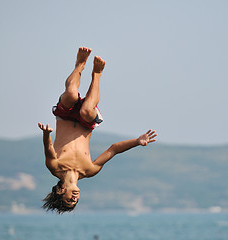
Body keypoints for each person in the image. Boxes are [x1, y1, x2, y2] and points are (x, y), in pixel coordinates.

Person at [38, 47, 157, 214]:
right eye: (75, 202)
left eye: (69, 200)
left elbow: (49, 150)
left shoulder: (55, 167)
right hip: (87, 122)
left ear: (60, 192)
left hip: (64, 117)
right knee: (86, 111)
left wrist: (46, 135)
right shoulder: (89, 170)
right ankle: (97, 75)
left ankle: (79, 65)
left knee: (71, 94)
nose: (75, 198)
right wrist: (137, 141)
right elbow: (113, 149)